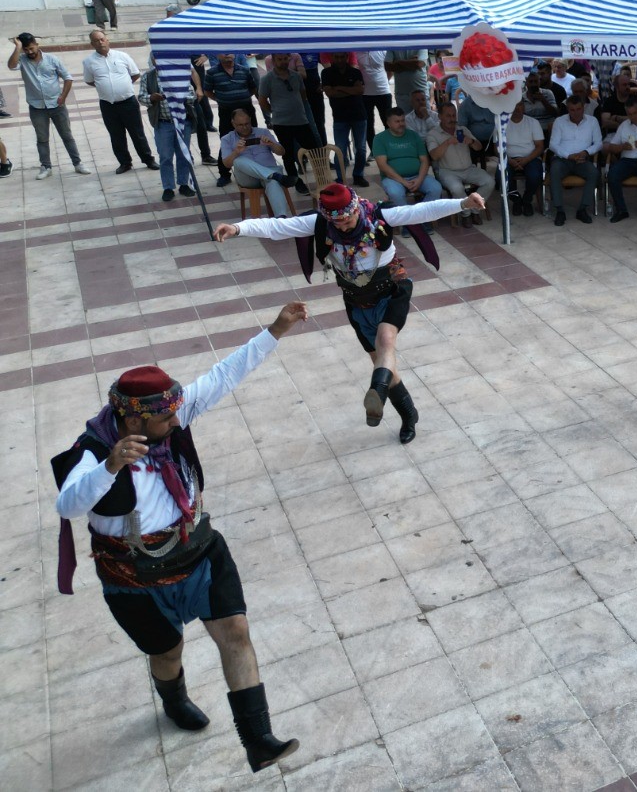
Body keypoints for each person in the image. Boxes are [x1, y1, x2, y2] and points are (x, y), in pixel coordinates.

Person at [51, 302, 310, 773]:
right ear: (134, 422)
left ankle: (258, 740)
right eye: (166, 419)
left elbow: (224, 374)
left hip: (197, 552)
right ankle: (174, 700)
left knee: (235, 630)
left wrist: (277, 329)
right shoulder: (91, 450)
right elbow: (68, 505)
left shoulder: (169, 413)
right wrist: (111, 466)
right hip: (132, 578)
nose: (177, 422)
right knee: (167, 652)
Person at [215, 185, 486, 442]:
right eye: (338, 223)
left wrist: (463, 203)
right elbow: (277, 226)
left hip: (392, 289)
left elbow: (422, 210)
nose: (343, 226)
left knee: (386, 340)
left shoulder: (381, 216)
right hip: (356, 300)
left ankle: (376, 392)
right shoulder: (320, 223)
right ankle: (409, 415)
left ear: (356, 210)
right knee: (383, 362)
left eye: (347, 220)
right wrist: (238, 228)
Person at [10, 33, 89, 180]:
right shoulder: (22, 59)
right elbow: (11, 65)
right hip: (36, 107)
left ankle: (77, 163)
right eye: (26, 50)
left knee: (67, 136)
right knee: (42, 139)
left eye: (31, 48)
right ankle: (46, 167)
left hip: (57, 105)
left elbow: (68, 78)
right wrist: (18, 47)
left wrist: (63, 97)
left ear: (37, 44)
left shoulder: (52, 59)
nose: (29, 52)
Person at [83, 30, 157, 175]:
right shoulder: (89, 62)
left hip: (128, 102)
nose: (100, 42)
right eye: (96, 41)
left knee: (137, 133)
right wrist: (107, 88)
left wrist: (121, 86)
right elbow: (90, 80)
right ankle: (125, 163)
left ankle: (148, 159)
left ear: (107, 39)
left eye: (102, 39)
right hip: (107, 105)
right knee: (116, 135)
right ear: (92, 44)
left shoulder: (122, 56)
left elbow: (135, 74)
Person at [258, 54, 317, 195]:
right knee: (288, 154)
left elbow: (303, 94)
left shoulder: (296, 76)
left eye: (285, 59)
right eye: (280, 59)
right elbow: (262, 100)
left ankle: (323, 179)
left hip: (301, 120)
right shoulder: (267, 79)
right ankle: (297, 182)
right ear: (273, 60)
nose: (283, 62)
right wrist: (274, 111)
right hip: (281, 123)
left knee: (314, 149)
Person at [140, 63, 196, 201]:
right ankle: (168, 187)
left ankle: (184, 184)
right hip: (163, 123)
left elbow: (192, 96)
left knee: (183, 154)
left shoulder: (180, 74)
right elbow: (141, 97)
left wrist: (179, 97)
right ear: (152, 61)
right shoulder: (148, 76)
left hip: (182, 122)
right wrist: (152, 98)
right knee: (165, 156)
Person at [219, 109, 291, 217]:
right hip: (248, 178)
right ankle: (273, 175)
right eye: (240, 125)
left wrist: (272, 144)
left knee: (273, 182)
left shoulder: (263, 132)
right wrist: (236, 152)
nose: (244, 127)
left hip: (269, 173)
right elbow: (227, 164)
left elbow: (282, 152)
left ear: (250, 120)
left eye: (247, 123)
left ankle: (281, 219)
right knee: (238, 160)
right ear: (233, 124)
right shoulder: (227, 139)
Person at [203, 53, 258, 187]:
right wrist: (222, 99)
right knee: (226, 140)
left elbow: (253, 87)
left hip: (246, 109)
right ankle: (224, 174)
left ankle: (255, 169)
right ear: (217, 55)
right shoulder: (212, 73)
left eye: (230, 52)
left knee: (252, 138)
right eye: (224, 52)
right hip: (226, 112)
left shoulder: (244, 70)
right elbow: (208, 91)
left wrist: (242, 97)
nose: (228, 54)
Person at [372, 108, 443, 211]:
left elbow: (424, 160)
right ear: (388, 123)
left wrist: (419, 179)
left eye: (402, 120)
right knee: (395, 194)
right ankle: (409, 223)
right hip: (393, 179)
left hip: (417, 176)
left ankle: (420, 216)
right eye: (397, 121)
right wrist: (403, 182)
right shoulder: (380, 139)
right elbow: (383, 165)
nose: (401, 124)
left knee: (436, 188)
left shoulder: (413, 135)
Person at [548, 94, 602, 226]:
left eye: (578, 109)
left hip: (582, 159)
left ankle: (583, 209)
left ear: (583, 108)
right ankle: (560, 210)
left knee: (594, 173)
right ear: (567, 109)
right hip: (563, 159)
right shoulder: (560, 121)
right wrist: (568, 155)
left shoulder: (592, 121)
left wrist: (585, 152)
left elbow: (599, 143)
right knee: (554, 171)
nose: (576, 112)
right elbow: (553, 145)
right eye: (572, 110)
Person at [426, 104, 492, 202]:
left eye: (453, 115)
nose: (452, 119)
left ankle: (473, 209)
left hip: (469, 169)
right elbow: (434, 156)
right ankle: (467, 213)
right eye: (448, 116)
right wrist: (447, 142)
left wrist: (472, 141)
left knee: (490, 182)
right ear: (440, 116)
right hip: (448, 172)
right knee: (457, 189)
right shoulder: (433, 134)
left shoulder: (462, 129)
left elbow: (479, 148)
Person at [321, 52, 368, 187]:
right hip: (340, 117)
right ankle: (341, 179)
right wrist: (350, 89)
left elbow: (359, 91)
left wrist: (339, 88)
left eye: (342, 57)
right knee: (339, 149)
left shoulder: (355, 72)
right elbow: (330, 93)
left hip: (359, 115)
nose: (340, 59)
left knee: (361, 148)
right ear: (332, 57)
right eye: (337, 56)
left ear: (347, 57)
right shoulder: (326, 73)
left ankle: (358, 175)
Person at [503, 100, 546, 217]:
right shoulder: (502, 123)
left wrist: (526, 159)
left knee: (535, 176)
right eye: (514, 105)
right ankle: (516, 200)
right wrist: (509, 160)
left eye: (520, 105)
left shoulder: (533, 122)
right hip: (509, 158)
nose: (517, 108)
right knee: (500, 176)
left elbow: (540, 146)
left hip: (530, 157)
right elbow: (497, 148)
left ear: (524, 107)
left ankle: (527, 200)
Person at [357, 50, 389, 145]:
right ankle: (374, 150)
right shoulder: (357, 52)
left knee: (388, 122)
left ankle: (390, 148)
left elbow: (389, 69)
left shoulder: (382, 51)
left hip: (383, 91)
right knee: (368, 125)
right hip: (365, 94)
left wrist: (383, 82)